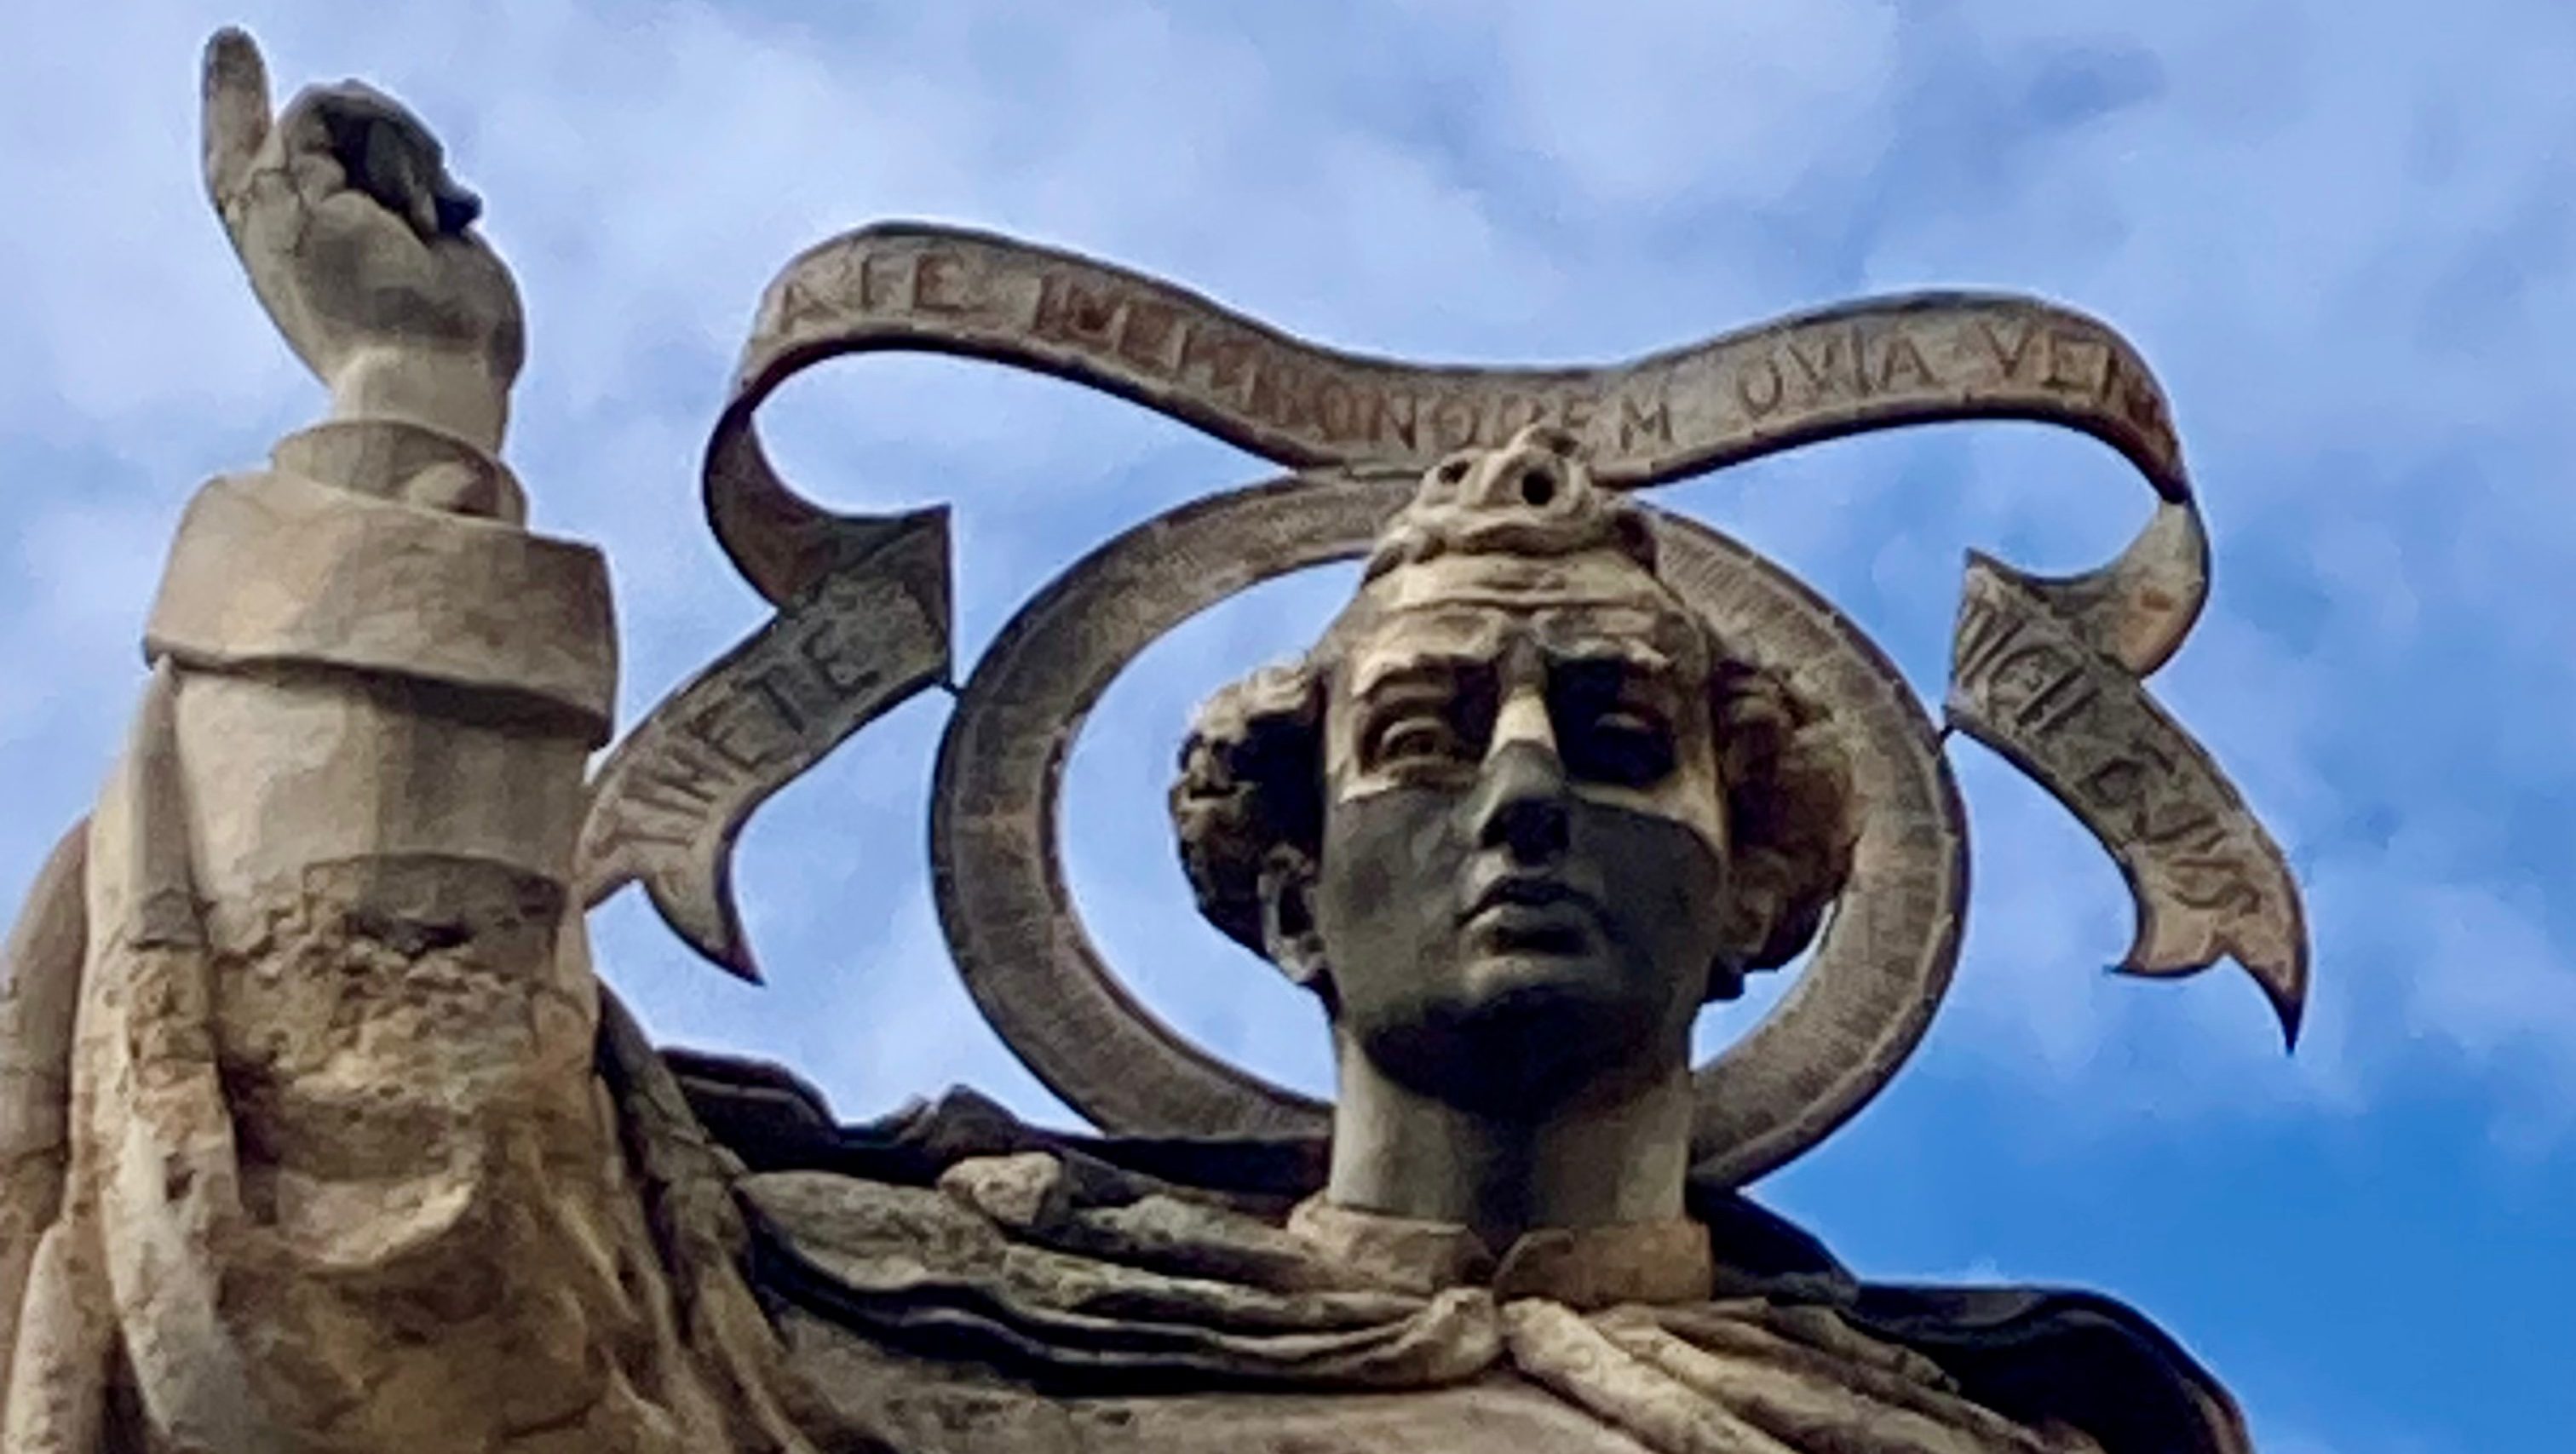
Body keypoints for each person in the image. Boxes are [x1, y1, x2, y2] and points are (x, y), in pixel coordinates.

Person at [0, 30, 2257, 1453]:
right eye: (1429, 729)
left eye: (1617, 726)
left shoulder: (1978, 1433)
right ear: (1284, 885)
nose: (1528, 780)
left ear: (1761, 882)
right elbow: (376, 1263)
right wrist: (406, 434)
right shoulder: (887, 1336)